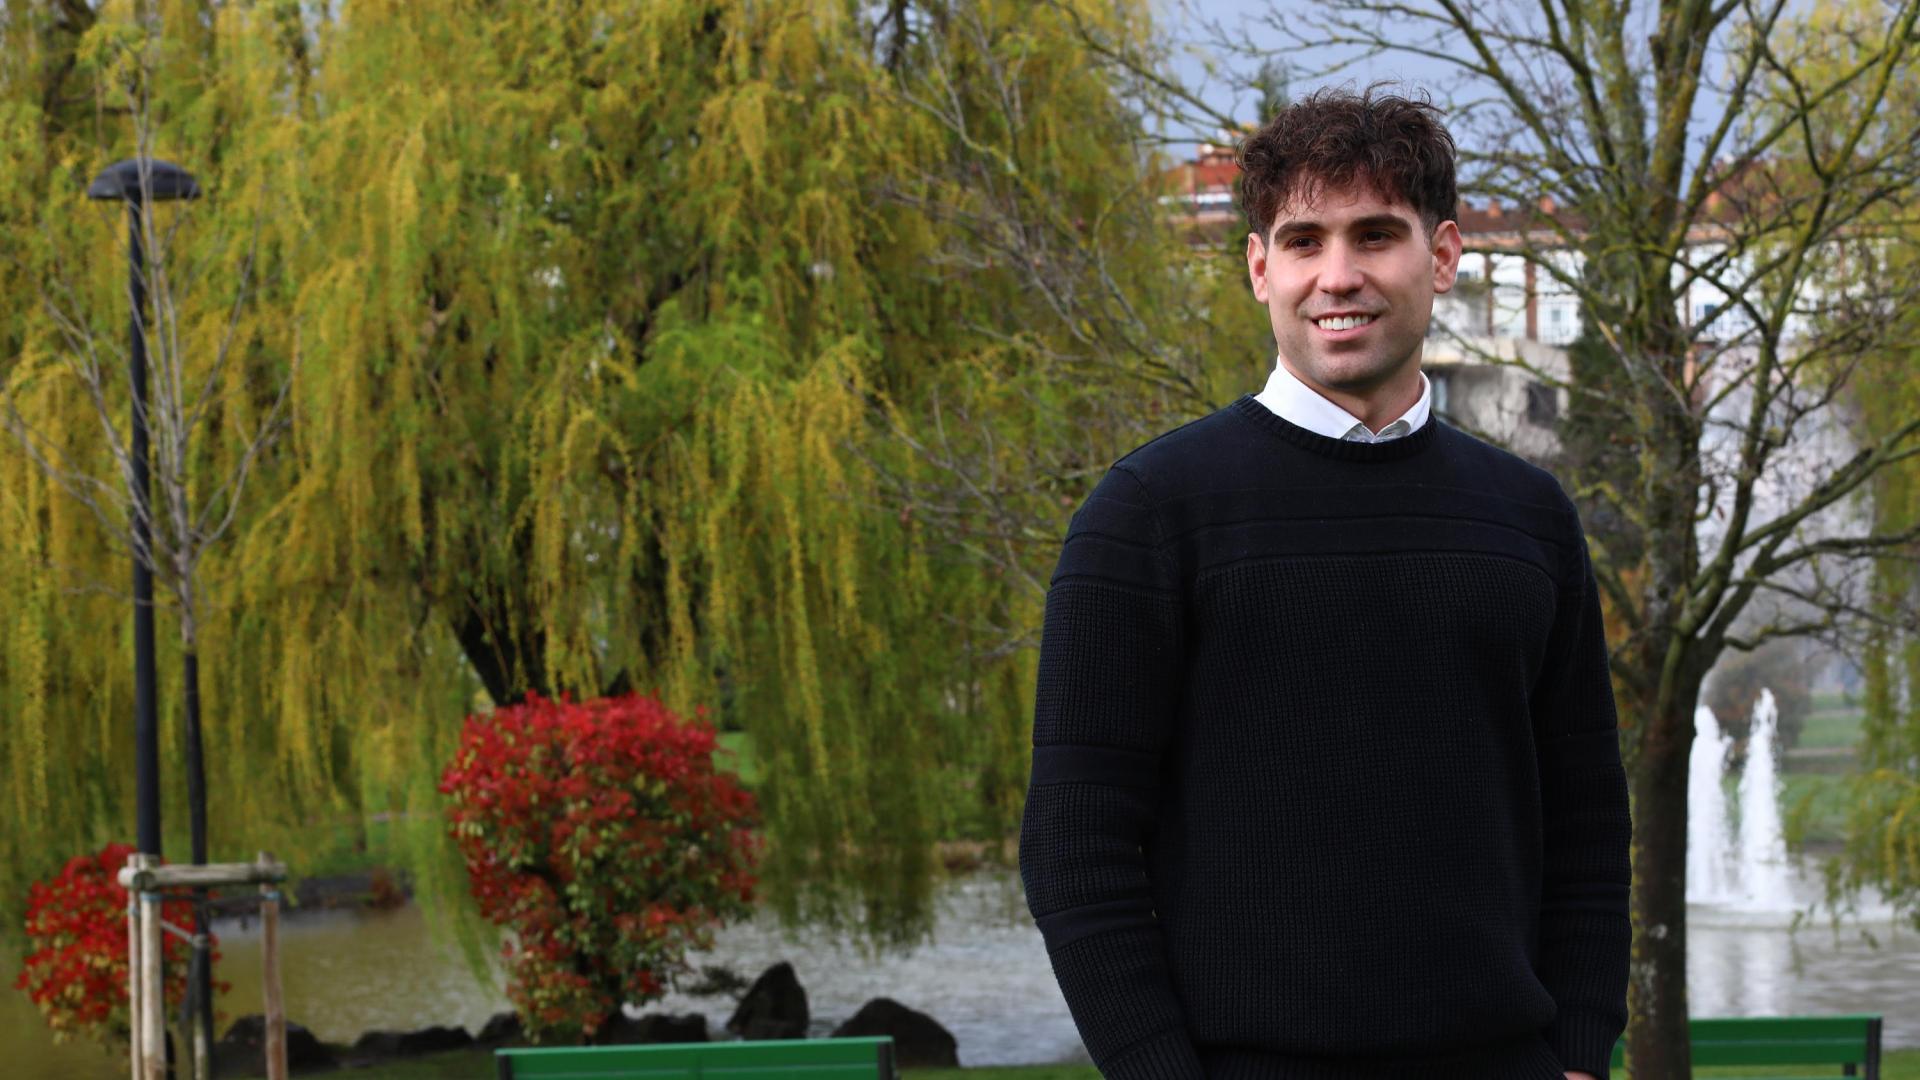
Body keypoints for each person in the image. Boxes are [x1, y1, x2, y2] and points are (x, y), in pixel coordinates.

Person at [1017, 87, 1630, 1080]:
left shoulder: (1528, 519)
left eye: (1374, 235)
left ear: (1441, 257)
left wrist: (1577, 1047)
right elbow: (1075, 847)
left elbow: (1589, 825)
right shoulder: (1147, 517)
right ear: (1260, 268)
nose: (1336, 276)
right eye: (1304, 241)